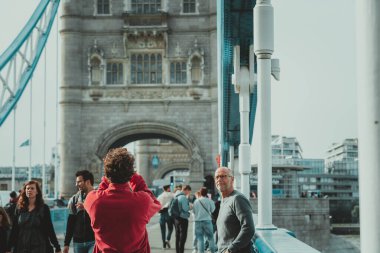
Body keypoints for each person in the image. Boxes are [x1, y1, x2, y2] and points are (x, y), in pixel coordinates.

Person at [84, 147, 161, 253]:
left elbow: (100, 191)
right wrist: (137, 179)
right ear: (130, 173)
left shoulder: (93, 200)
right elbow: (156, 203)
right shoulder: (142, 201)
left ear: (107, 173)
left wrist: (106, 180)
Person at [6, 180, 62, 253]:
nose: (29, 190)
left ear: (37, 192)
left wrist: (57, 247)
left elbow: (49, 228)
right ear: (25, 191)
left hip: (39, 246)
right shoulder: (19, 208)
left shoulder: (44, 208)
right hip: (21, 246)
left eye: (32, 188)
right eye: (27, 188)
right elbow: (15, 229)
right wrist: (9, 248)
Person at [215, 167, 255, 253]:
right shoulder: (224, 200)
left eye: (223, 176)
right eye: (217, 177)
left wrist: (230, 250)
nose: (219, 179)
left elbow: (249, 228)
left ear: (232, 179)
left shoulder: (237, 199)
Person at [63, 170, 95, 253]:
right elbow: (70, 223)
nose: (76, 184)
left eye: (79, 182)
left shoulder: (98, 197)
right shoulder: (74, 200)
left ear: (87, 182)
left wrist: (86, 207)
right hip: (78, 243)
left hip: (94, 241)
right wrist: (66, 244)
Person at [193, 187, 216, 253]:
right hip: (207, 221)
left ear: (200, 193)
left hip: (198, 222)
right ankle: (212, 252)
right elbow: (213, 210)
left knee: (200, 239)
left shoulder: (196, 201)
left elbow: (194, 211)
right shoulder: (210, 201)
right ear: (206, 193)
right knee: (210, 238)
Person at [173, 185, 192, 253]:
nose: (188, 193)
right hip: (183, 218)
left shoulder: (176, 196)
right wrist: (190, 207)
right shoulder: (183, 197)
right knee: (183, 237)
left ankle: (178, 251)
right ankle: (181, 251)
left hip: (176, 219)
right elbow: (185, 208)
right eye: (189, 191)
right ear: (186, 190)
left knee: (177, 236)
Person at [157, 184, 174, 249]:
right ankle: (167, 239)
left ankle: (164, 244)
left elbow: (157, 205)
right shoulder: (171, 195)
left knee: (162, 230)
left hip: (161, 214)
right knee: (170, 228)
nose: (170, 189)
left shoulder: (160, 196)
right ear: (167, 189)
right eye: (169, 188)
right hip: (168, 214)